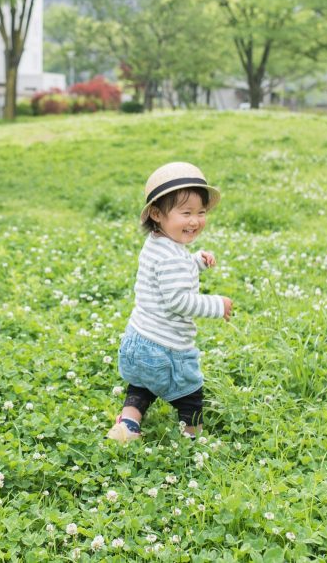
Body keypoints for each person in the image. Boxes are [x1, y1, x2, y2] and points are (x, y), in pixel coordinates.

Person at [107, 162, 233, 443]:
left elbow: (170, 273)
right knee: (190, 395)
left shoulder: (158, 244)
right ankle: (193, 439)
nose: (195, 221)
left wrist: (196, 262)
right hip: (166, 349)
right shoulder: (170, 255)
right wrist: (217, 305)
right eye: (185, 213)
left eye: (201, 212)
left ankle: (128, 423)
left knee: (141, 386)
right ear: (156, 214)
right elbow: (178, 300)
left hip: (137, 341)